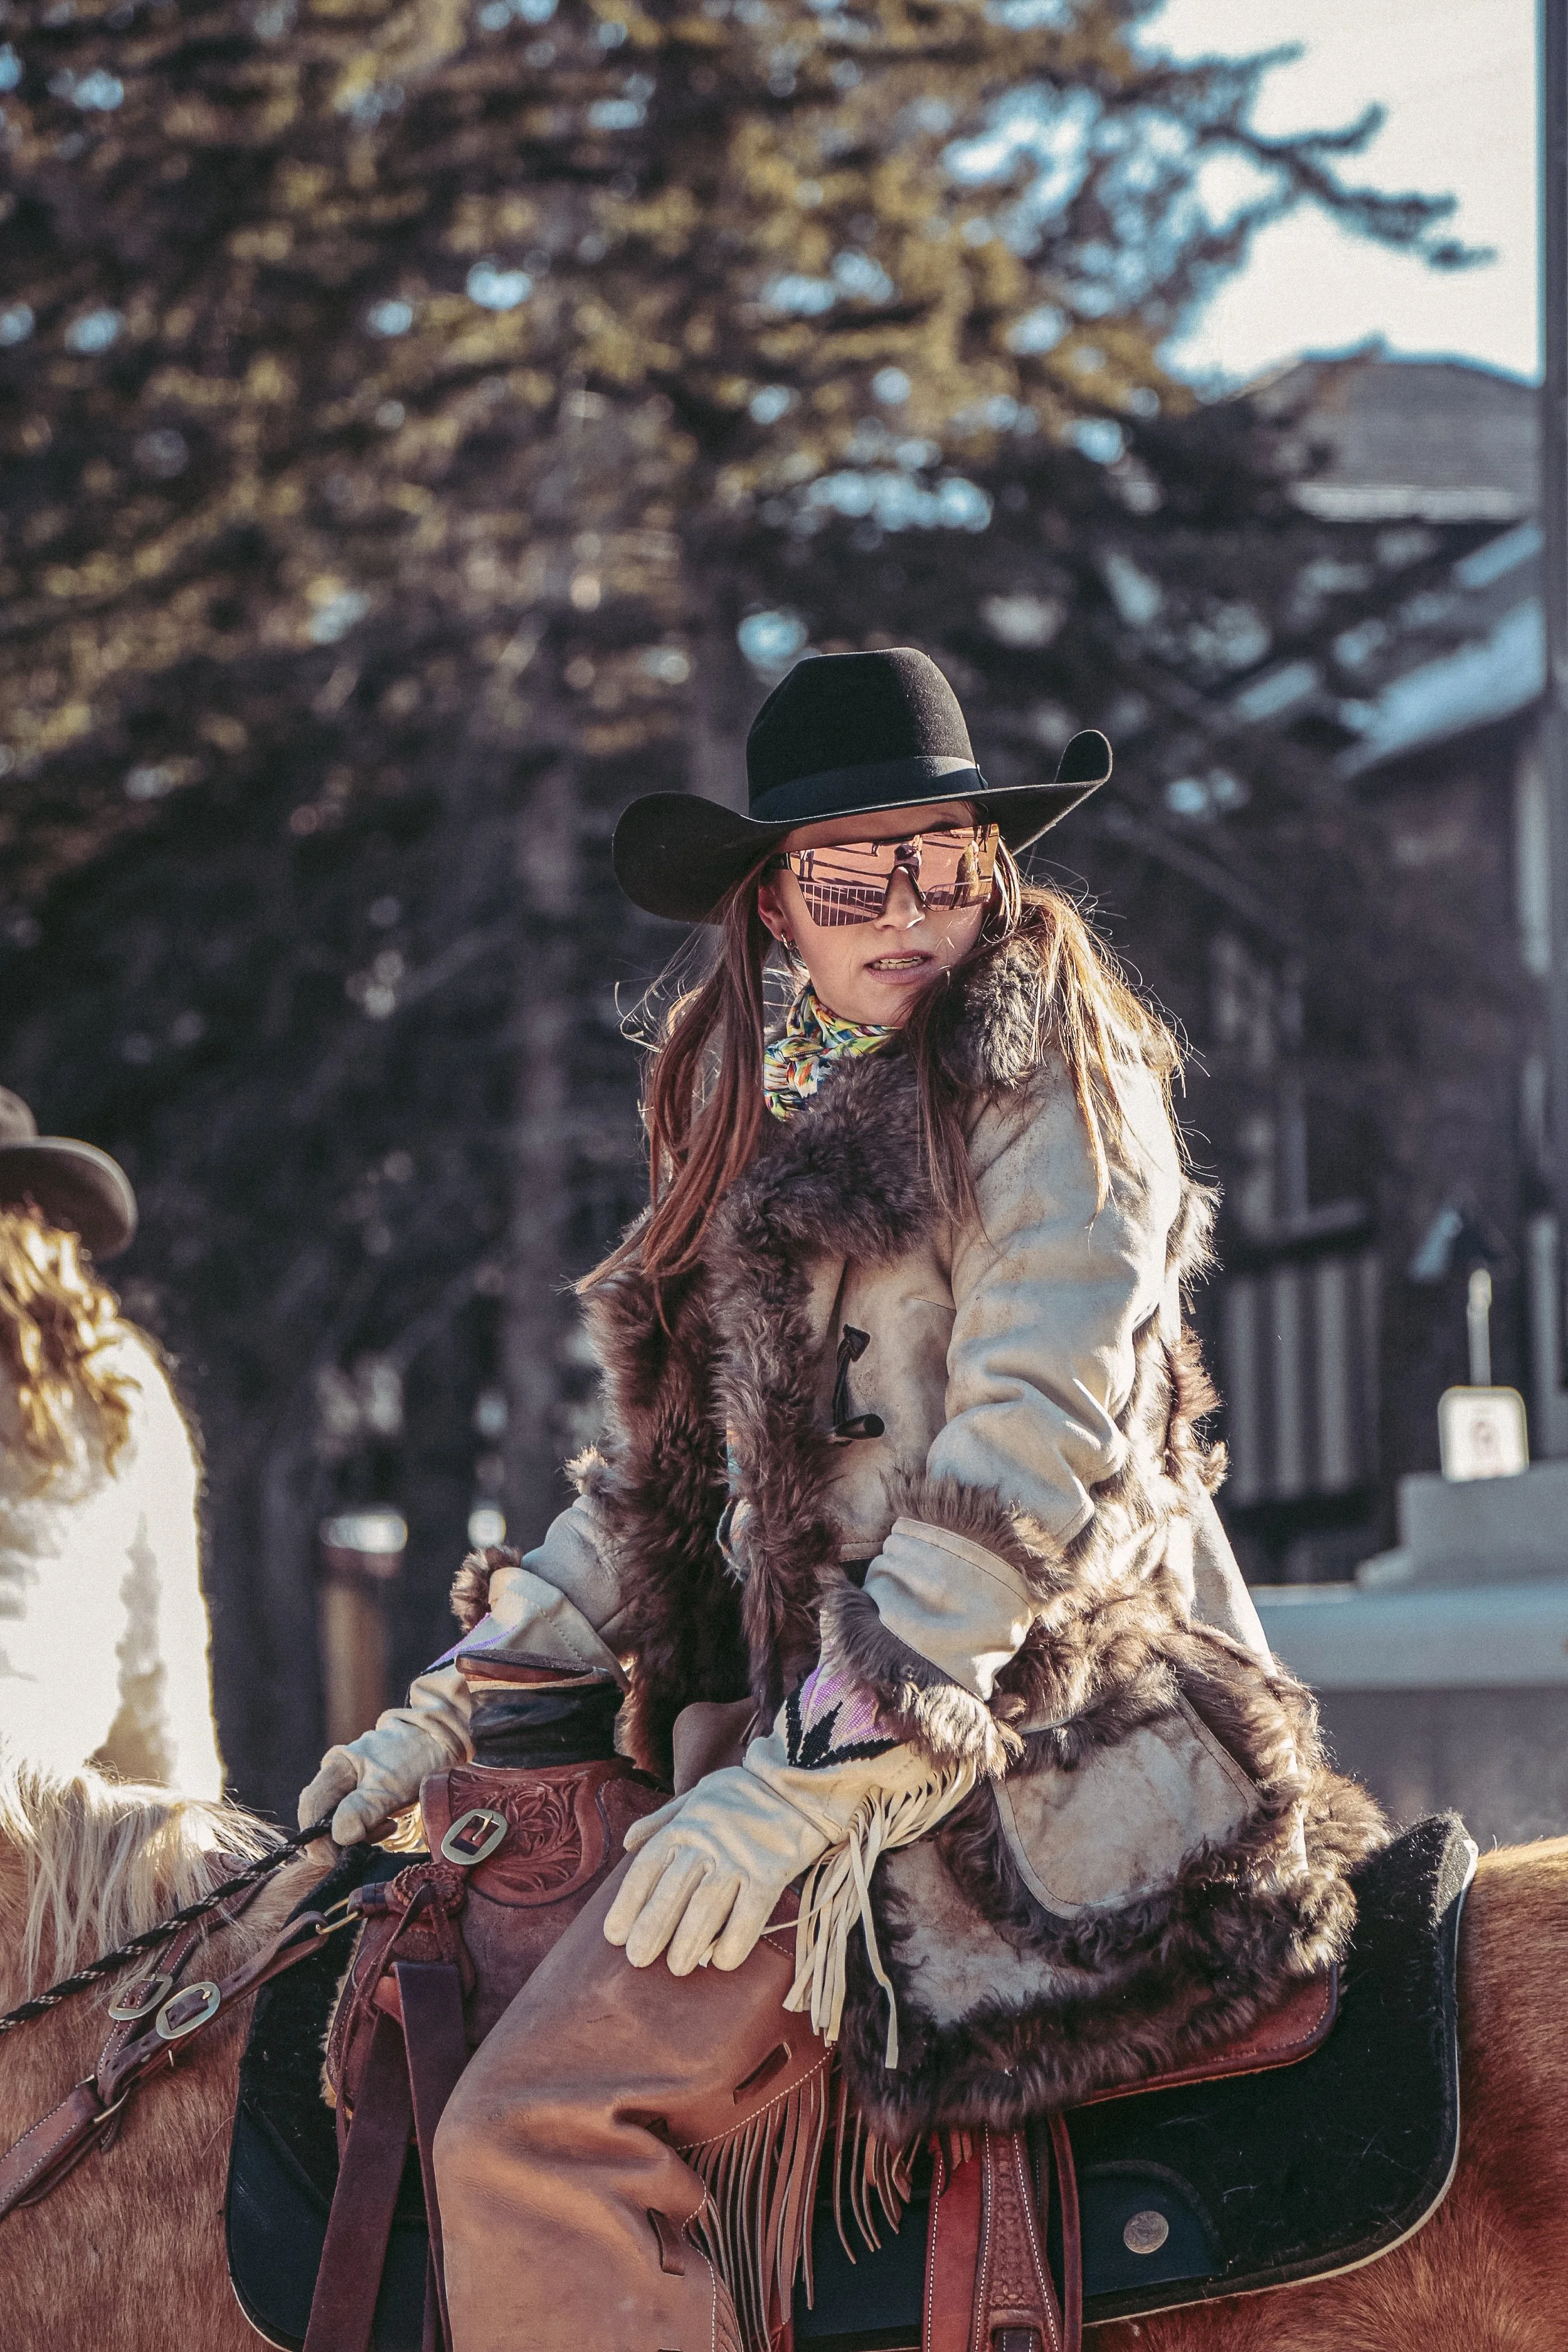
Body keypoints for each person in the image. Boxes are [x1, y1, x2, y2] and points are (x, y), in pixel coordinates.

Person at [300, 650, 1369, 2352]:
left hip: (1025, 1730)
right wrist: (454, 1698)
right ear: (770, 908)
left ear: (990, 866)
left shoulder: (1055, 1076)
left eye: (941, 859)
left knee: (525, 2138)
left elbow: (1030, 1443)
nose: (907, 909)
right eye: (847, 872)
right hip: (813, 1740)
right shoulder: (761, 1111)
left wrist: (814, 1771)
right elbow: (664, 1492)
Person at [0, 1089, 223, 1798]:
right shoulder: (117, 1380)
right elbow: (159, 1658)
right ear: (45, 1220)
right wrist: (190, 1842)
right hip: (34, 1812)